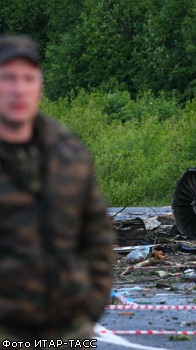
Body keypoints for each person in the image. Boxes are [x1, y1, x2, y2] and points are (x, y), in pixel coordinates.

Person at [0, 35, 115, 347]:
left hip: (67, 331)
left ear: (39, 86)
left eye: (27, 78)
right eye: (8, 78)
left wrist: (90, 306)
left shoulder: (69, 153)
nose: (18, 89)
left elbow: (98, 236)